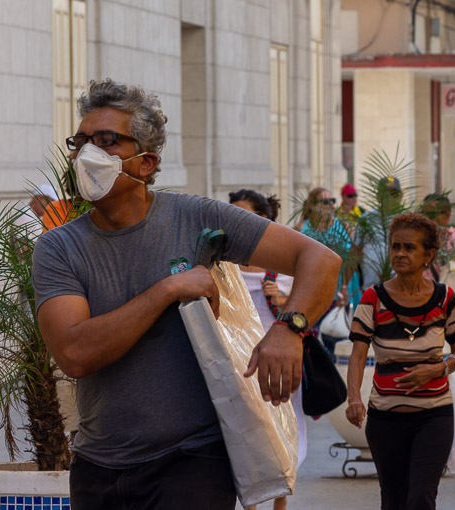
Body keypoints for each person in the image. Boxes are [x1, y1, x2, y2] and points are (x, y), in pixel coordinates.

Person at [32, 79, 341, 509]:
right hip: (98, 467)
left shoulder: (196, 216)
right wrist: (169, 287)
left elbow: (321, 261)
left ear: (146, 163)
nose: (87, 154)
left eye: (106, 141)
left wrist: (290, 329)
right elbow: (75, 353)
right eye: (80, 141)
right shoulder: (58, 247)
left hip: (192, 462)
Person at [346, 213, 455, 510]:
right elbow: (358, 353)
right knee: (393, 500)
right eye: (395, 246)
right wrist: (353, 399)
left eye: (410, 248)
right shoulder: (372, 299)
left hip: (434, 417)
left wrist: (438, 369)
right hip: (385, 419)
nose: (400, 253)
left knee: (422, 497)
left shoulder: (445, 298)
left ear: (428, 255)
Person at [229, 189, 305, 510]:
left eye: (241, 214)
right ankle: (250, 506)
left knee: (283, 431)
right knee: (248, 433)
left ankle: (280, 504)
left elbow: (303, 314)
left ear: (262, 220)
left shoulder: (282, 266)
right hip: (241, 360)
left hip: (279, 358)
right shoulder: (226, 263)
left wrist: (282, 301)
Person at [420, 193, 455, 281]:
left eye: (431, 215)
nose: (426, 219)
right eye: (423, 214)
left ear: (447, 214)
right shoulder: (418, 237)